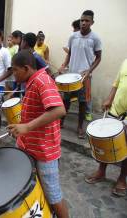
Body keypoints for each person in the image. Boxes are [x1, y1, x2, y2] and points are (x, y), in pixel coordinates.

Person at [8, 50, 69, 218]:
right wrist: (20, 128)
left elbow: (59, 110)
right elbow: (36, 113)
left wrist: (27, 127)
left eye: (15, 70)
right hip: (30, 146)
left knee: (53, 195)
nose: (13, 74)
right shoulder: (31, 81)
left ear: (26, 68)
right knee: (35, 186)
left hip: (44, 151)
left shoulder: (42, 81)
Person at [85, 59, 127, 197]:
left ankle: (122, 179)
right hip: (115, 110)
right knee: (105, 142)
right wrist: (109, 98)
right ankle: (101, 171)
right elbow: (117, 83)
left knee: (125, 149)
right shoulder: (125, 61)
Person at [59, 10, 102, 138]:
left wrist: (89, 71)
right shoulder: (73, 36)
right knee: (66, 100)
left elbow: (99, 57)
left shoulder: (95, 38)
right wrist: (64, 65)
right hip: (70, 75)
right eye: (82, 20)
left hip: (85, 77)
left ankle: (79, 127)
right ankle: (61, 121)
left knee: (83, 103)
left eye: (87, 21)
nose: (83, 23)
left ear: (92, 22)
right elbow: (70, 53)